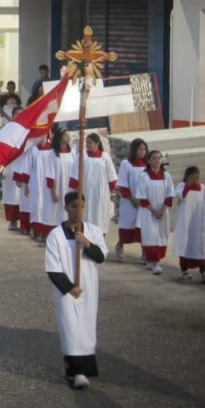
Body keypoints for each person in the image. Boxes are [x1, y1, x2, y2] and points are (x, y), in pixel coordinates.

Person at [44, 192, 108, 390]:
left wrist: (87, 242)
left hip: (88, 287)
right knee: (71, 328)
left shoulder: (94, 231)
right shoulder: (55, 235)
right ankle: (74, 371)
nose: (78, 210)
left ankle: (84, 369)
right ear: (66, 208)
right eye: (73, 206)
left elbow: (100, 257)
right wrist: (71, 289)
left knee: (86, 328)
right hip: (67, 290)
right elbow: (53, 268)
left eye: (81, 206)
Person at [135, 150, 175, 275]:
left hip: (162, 213)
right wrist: (154, 211)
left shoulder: (166, 176)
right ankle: (154, 263)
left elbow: (169, 196)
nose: (157, 161)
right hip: (148, 212)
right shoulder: (144, 176)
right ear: (148, 161)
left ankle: (153, 261)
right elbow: (143, 198)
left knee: (161, 236)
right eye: (154, 158)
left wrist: (162, 210)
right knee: (150, 236)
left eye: (159, 158)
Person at [67, 133, 116, 234]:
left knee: (100, 214)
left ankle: (100, 235)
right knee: (87, 213)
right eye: (87, 143)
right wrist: (75, 189)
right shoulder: (81, 157)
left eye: (90, 143)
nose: (87, 145)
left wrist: (112, 189)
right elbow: (75, 174)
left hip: (101, 192)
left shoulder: (105, 157)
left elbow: (111, 174)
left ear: (97, 143)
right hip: (86, 191)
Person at [173, 166, 205, 283]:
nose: (194, 178)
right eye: (191, 175)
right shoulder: (181, 186)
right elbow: (181, 196)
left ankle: (203, 272)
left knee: (200, 245)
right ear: (187, 176)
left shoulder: (203, 188)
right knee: (185, 245)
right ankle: (184, 270)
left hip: (199, 224)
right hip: (186, 223)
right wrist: (188, 185)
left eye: (196, 175)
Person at [37, 128, 75, 239]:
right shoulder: (52, 153)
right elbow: (50, 174)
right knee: (52, 211)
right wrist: (53, 191)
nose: (68, 138)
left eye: (69, 135)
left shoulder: (72, 153)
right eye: (65, 136)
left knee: (65, 211)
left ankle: (65, 234)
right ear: (60, 137)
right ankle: (48, 235)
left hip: (67, 187)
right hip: (56, 188)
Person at [115, 138, 149, 261]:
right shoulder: (126, 164)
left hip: (143, 203)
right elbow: (123, 183)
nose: (142, 152)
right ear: (134, 150)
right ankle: (120, 246)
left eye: (144, 149)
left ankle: (144, 253)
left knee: (143, 228)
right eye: (140, 149)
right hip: (129, 202)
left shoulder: (147, 165)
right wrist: (132, 198)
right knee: (127, 227)